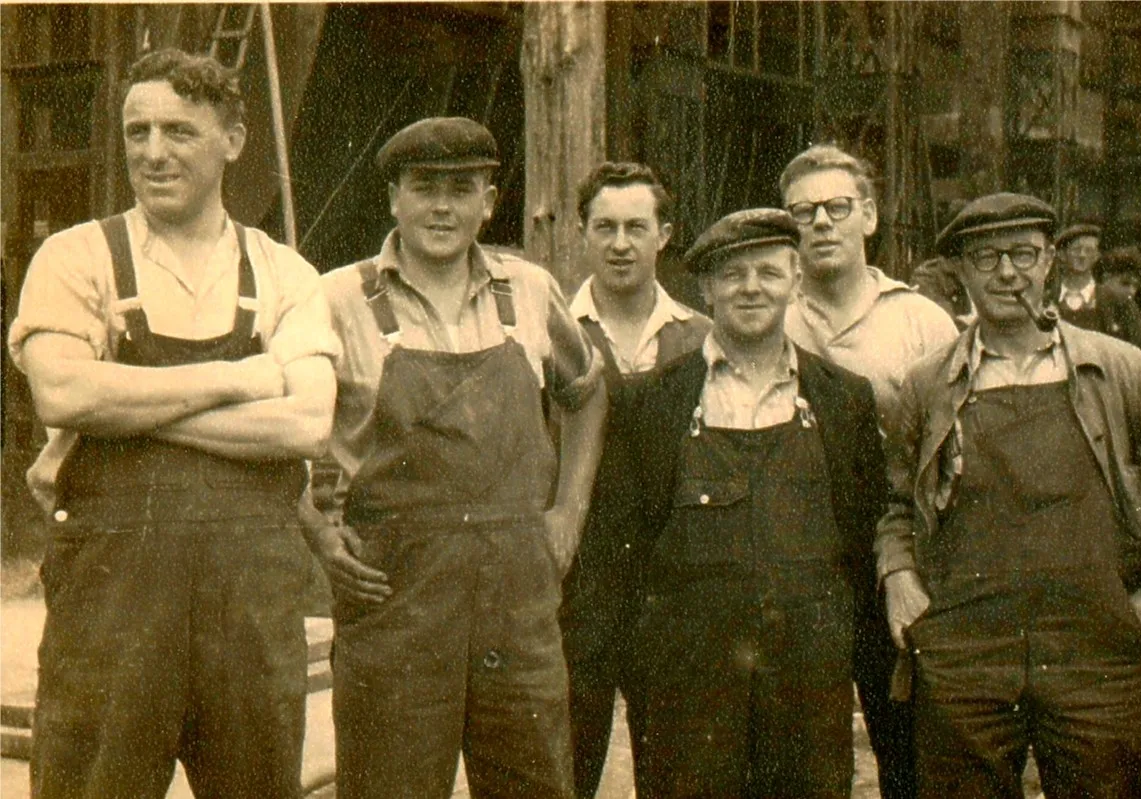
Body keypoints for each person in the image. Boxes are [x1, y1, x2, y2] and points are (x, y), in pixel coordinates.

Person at [9, 49, 339, 798]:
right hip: (112, 611)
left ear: (233, 139)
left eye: (179, 132)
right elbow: (62, 394)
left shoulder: (285, 273)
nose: (152, 153)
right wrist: (240, 378)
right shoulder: (75, 257)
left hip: (251, 611)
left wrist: (125, 410)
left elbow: (306, 425)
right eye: (137, 131)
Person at [878, 193, 1141, 799]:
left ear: (1050, 261)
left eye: (1024, 254)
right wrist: (898, 572)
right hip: (966, 653)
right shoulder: (928, 382)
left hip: (1094, 654)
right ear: (962, 272)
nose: (1007, 272)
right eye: (986, 257)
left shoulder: (1117, 368)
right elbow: (896, 502)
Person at [300, 116, 607, 799]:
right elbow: (277, 429)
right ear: (393, 199)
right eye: (423, 187)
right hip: (394, 599)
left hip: (516, 601)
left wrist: (568, 512)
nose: (441, 206)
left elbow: (586, 393)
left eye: (461, 188)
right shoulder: (335, 299)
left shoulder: (527, 291)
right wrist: (317, 530)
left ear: (489, 201)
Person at [591, 208, 888, 797]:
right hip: (688, 683)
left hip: (809, 677)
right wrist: (645, 670)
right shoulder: (652, 402)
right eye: (733, 275)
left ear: (797, 282)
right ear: (706, 289)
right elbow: (619, 554)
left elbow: (862, 544)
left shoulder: (843, 399)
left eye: (769, 273)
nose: (751, 288)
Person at [781, 143, 957, 799]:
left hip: (895, 563)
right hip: (798, 564)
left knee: (906, 747)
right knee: (801, 754)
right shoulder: (767, 314)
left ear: (869, 217)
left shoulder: (919, 321)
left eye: (836, 208)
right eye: (803, 212)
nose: (820, 223)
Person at [560, 161, 710, 798]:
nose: (620, 243)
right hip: (577, 587)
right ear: (583, 234)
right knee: (563, 768)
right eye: (605, 227)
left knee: (677, 775)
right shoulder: (552, 335)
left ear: (664, 235)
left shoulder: (703, 338)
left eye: (635, 227)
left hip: (671, 591)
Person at [1053, 222, 1102, 318]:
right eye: (1076, 249)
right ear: (1062, 255)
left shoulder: (1112, 299)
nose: (1082, 255)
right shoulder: (1047, 297)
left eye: (1089, 250)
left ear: (1097, 256)